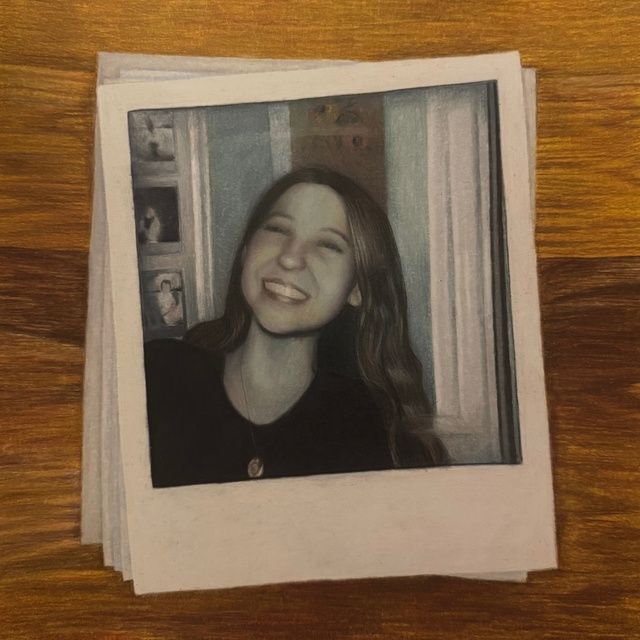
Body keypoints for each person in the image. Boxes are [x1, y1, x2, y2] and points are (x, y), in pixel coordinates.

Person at [144, 167, 448, 487]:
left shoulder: (378, 438)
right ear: (247, 250)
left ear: (357, 287)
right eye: (278, 229)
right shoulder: (157, 373)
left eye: (328, 245)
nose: (290, 258)